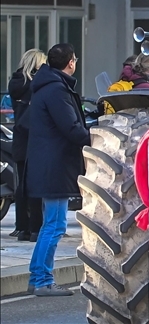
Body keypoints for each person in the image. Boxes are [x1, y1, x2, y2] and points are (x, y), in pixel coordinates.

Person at [25, 43, 90, 297]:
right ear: (70, 63)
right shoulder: (56, 90)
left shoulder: (48, 86)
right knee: (55, 225)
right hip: (55, 166)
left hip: (49, 164)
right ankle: (43, 281)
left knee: (49, 224)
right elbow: (71, 129)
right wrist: (95, 136)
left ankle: (36, 276)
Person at [7, 49, 46, 242]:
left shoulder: (15, 83)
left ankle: (22, 227)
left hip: (20, 138)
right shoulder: (37, 85)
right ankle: (36, 228)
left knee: (22, 185)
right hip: (36, 138)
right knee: (37, 184)